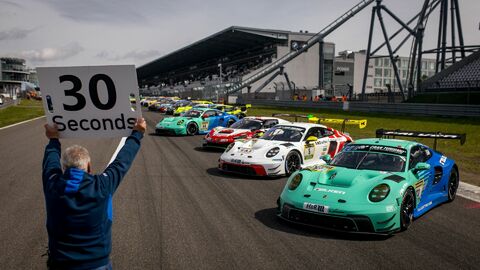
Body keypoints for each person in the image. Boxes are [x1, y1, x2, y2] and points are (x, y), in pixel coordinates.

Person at [42, 118, 147, 270]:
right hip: (96, 264)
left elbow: (51, 161)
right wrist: (137, 134)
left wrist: (53, 139)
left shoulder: (52, 184)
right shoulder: (102, 185)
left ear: (64, 168)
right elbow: (122, 161)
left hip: (60, 263)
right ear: (89, 166)